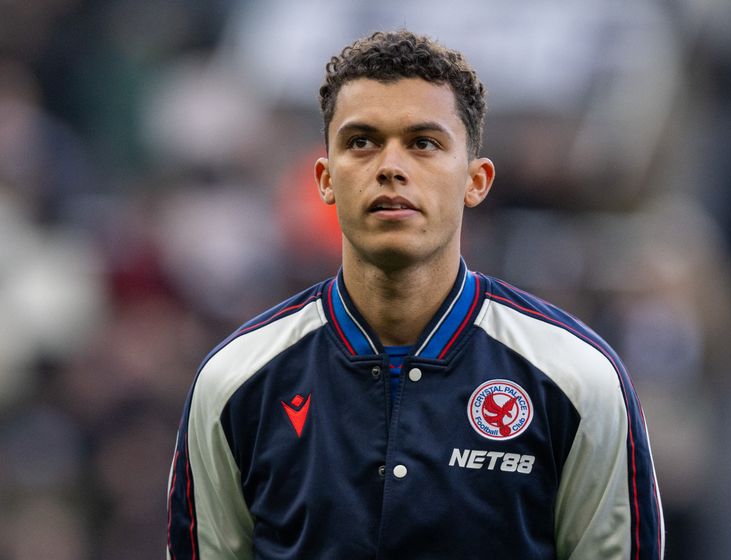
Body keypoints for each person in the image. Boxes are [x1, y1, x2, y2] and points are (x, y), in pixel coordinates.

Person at [167, 29, 664, 559]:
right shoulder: (236, 380)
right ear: (325, 177)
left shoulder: (577, 379)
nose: (390, 167)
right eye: (361, 142)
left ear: (476, 181)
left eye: (424, 143)